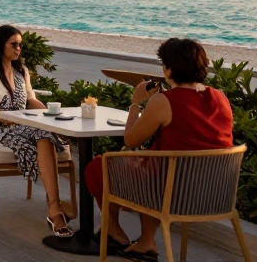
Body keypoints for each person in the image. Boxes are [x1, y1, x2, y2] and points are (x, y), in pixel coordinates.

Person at [85, 38, 235, 261]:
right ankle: (146, 241)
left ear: (168, 69)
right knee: (153, 163)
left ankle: (114, 232)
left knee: (100, 165)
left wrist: (136, 102)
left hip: (172, 195)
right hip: (215, 193)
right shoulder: (220, 97)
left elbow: (131, 139)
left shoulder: (165, 101)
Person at [0, 25, 75, 238]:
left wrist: (50, 113)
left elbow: (30, 99)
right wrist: (9, 117)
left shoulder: (22, 71)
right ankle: (55, 211)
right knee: (43, 135)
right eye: (14, 44)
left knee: (44, 134)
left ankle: (54, 208)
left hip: (24, 124)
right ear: (1, 45)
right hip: (0, 128)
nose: (19, 48)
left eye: (20, 44)